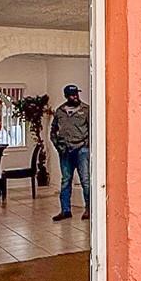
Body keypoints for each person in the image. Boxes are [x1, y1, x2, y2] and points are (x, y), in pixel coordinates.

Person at [50, 84, 91, 221]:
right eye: (72, 95)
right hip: (65, 150)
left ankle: (89, 209)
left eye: (76, 94)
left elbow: (92, 128)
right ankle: (65, 210)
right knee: (66, 181)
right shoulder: (60, 111)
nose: (75, 97)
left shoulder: (86, 110)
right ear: (66, 96)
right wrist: (57, 145)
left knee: (85, 180)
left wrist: (87, 144)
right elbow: (53, 130)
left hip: (81, 149)